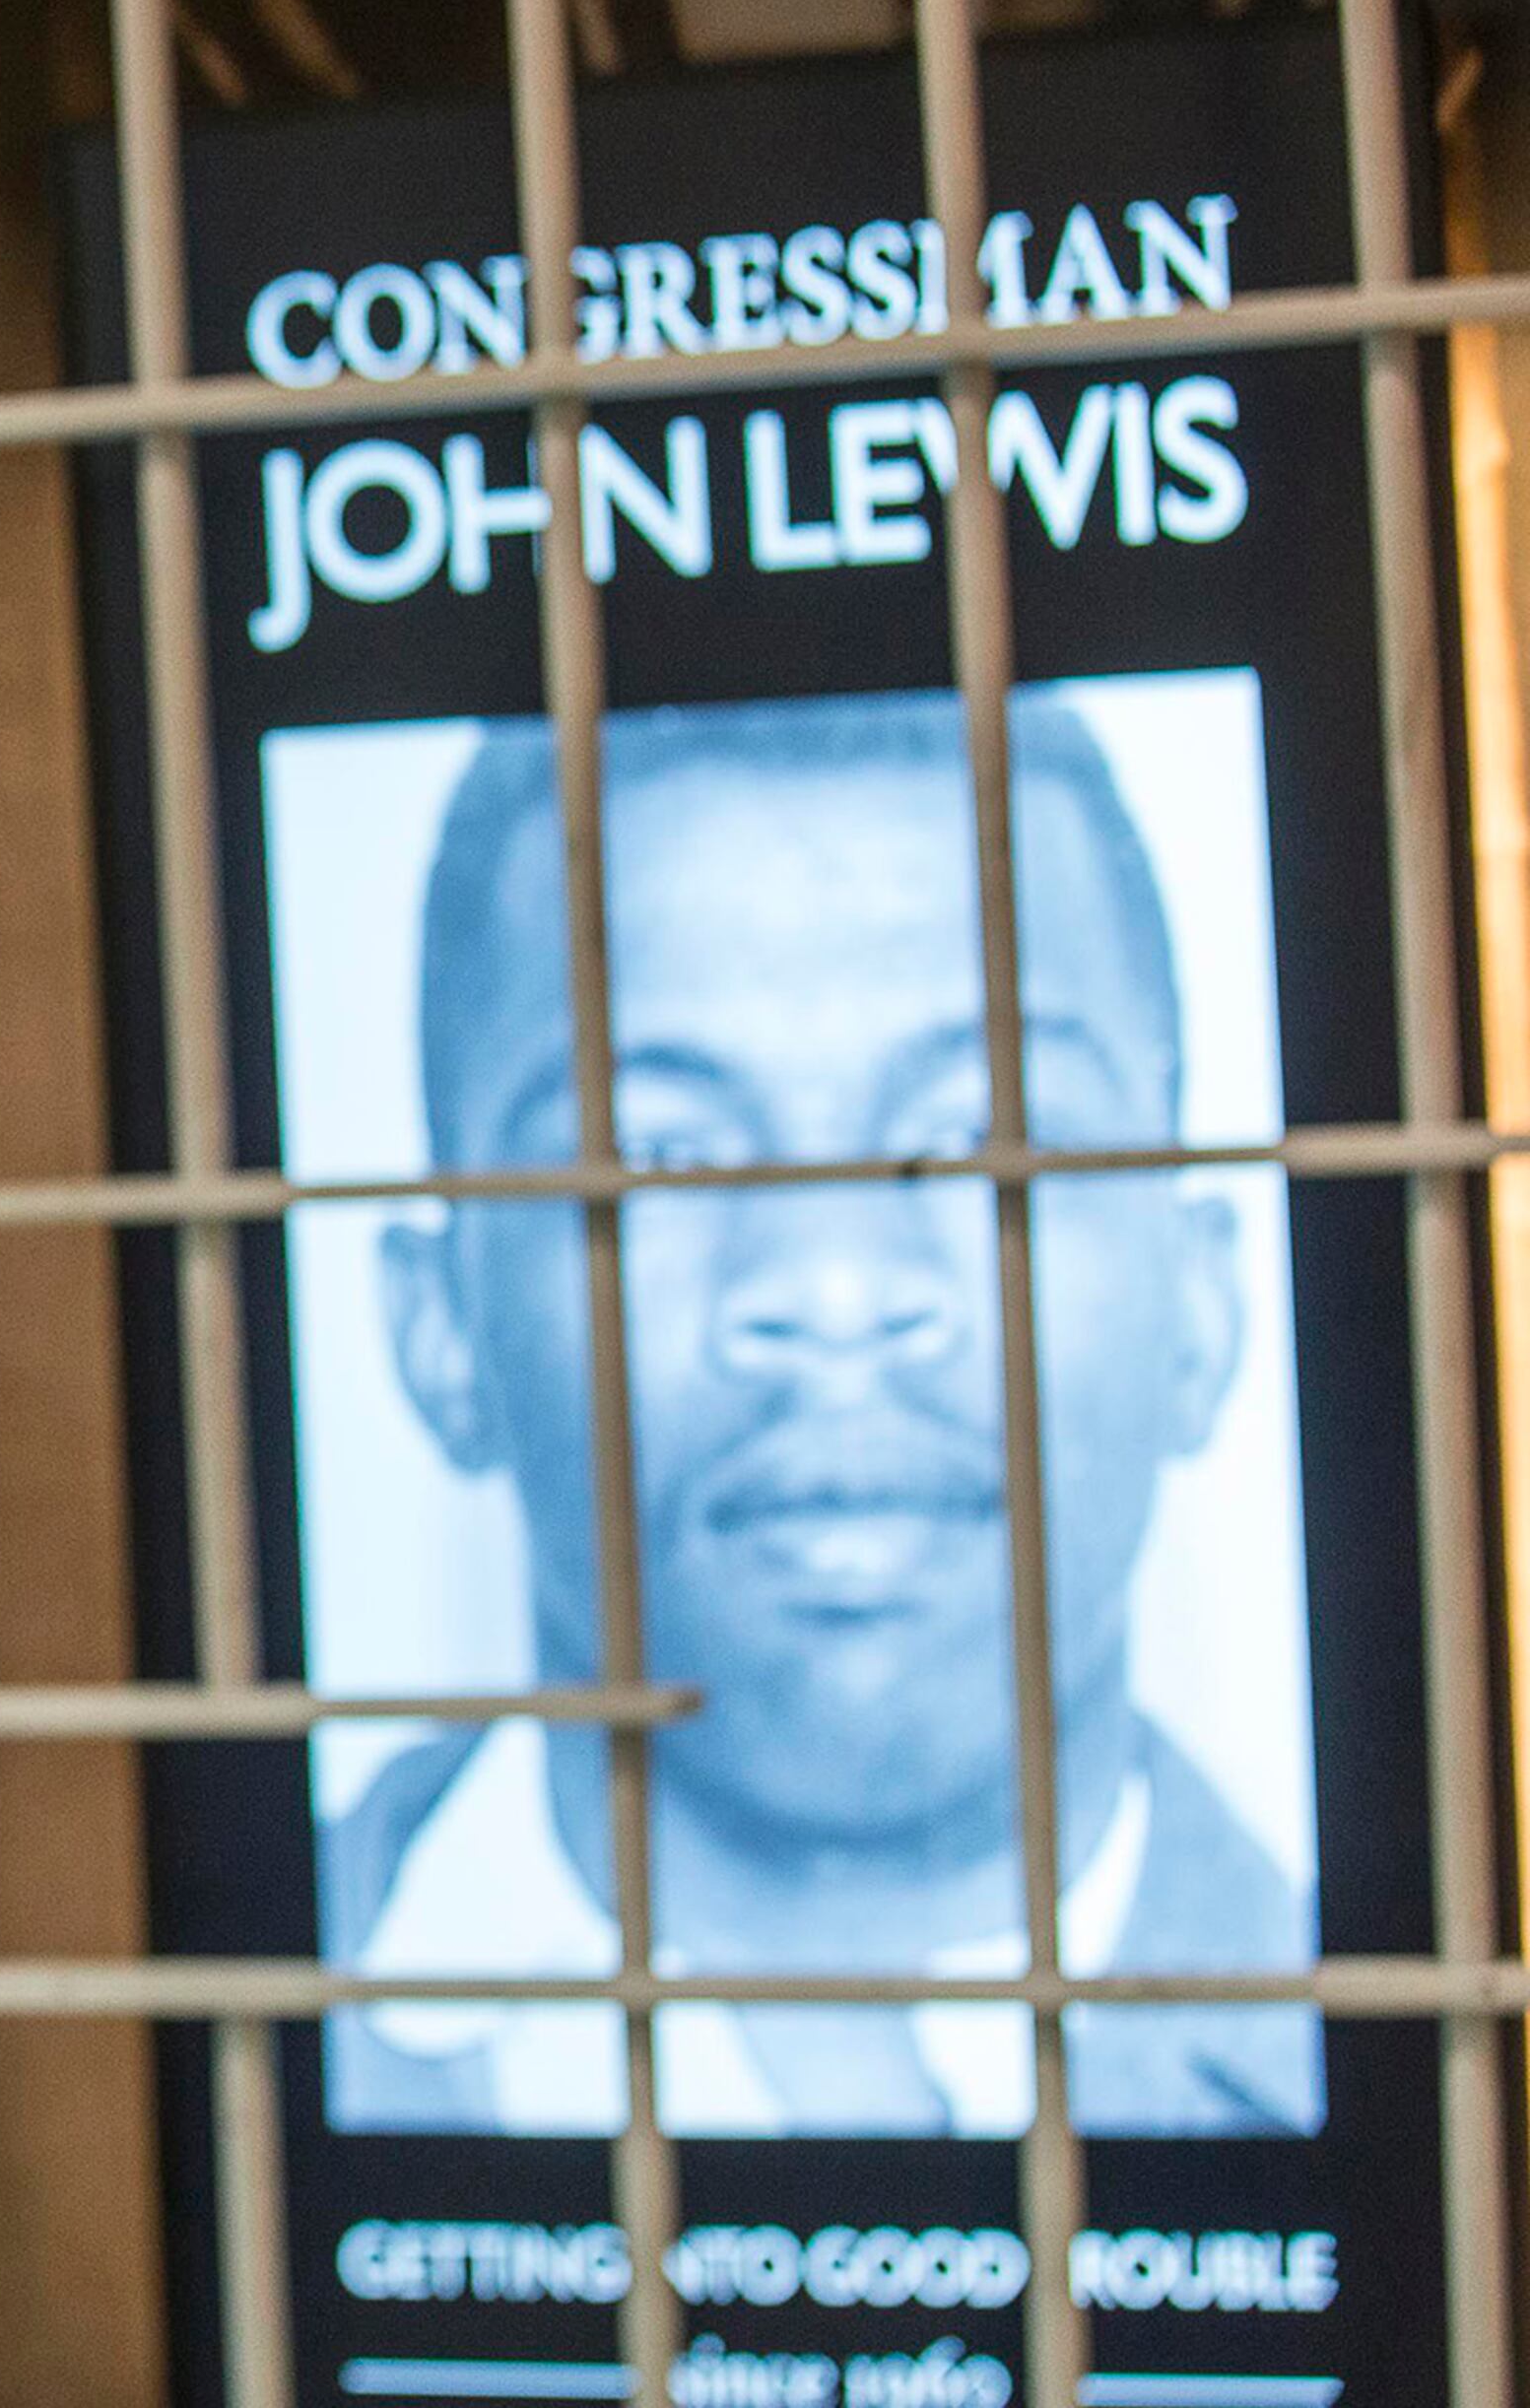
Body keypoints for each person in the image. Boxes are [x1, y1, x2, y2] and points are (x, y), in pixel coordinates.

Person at [323, 690, 1319, 2138]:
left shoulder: (1421, 2037)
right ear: (440, 1326)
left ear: (1206, 1303)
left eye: (991, 1135)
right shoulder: (209, 2018)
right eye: (654, 1154)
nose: (837, 1283)